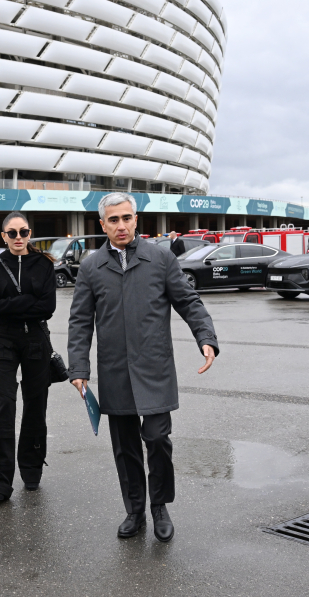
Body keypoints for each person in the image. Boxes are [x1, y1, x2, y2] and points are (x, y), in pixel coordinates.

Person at [67, 192, 219, 543]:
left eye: (126, 218)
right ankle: (134, 510)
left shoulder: (160, 259)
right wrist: (79, 368)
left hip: (154, 369)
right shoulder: (91, 266)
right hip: (115, 371)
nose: (121, 226)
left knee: (157, 439)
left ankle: (159, 506)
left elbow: (188, 301)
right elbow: (79, 322)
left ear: (136, 220)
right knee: (125, 448)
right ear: (102, 224)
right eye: (113, 220)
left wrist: (206, 338)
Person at [0, 212, 57, 501]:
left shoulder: (43, 263)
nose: (17, 238)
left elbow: (47, 306)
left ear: (30, 234)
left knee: (36, 403)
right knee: (1, 404)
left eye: (23, 232)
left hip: (36, 339)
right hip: (4, 339)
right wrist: (29, 303)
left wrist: (11, 304)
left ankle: (32, 469)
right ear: (3, 236)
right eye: (11, 233)